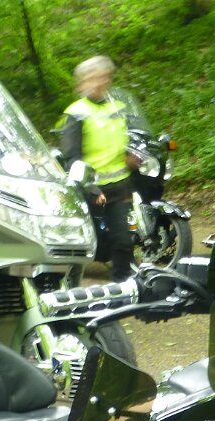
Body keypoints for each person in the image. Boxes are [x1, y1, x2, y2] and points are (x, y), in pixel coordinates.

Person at [57, 55, 140, 280]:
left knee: (123, 241)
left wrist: (131, 156)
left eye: (103, 77)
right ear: (82, 83)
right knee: (83, 242)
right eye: (94, 78)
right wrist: (91, 188)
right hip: (91, 189)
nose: (100, 82)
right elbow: (72, 157)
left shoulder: (118, 107)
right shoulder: (76, 113)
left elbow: (128, 138)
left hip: (120, 186)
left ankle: (123, 285)